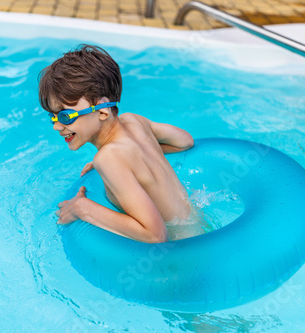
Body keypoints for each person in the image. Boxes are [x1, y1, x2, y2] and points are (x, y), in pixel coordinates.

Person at [38, 44, 205, 243]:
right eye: (52, 116)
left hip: (179, 256)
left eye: (65, 116)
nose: (57, 126)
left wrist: (81, 208)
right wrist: (134, 159)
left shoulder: (108, 159)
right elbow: (185, 141)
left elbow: (156, 235)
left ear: (101, 111)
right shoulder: (135, 121)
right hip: (200, 232)